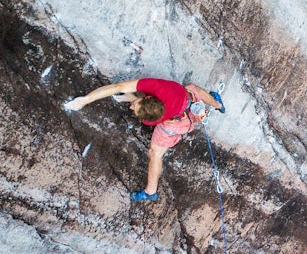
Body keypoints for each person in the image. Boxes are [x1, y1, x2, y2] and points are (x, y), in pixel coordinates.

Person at [66, 77, 223, 201]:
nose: (131, 107)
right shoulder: (158, 87)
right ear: (148, 97)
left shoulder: (151, 120)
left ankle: (150, 192)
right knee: (194, 89)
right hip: (188, 102)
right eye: (136, 104)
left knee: (155, 153)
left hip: (174, 125)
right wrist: (85, 100)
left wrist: (130, 98)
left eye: (134, 108)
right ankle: (217, 104)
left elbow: (119, 88)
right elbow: (119, 87)